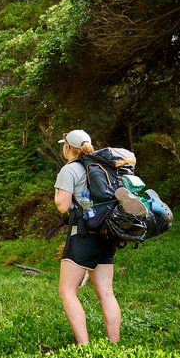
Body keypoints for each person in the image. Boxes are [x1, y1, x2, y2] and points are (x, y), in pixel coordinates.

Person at [53, 129, 121, 345]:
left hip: (82, 235)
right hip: (106, 233)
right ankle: (114, 344)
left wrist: (58, 192)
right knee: (106, 293)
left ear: (68, 147)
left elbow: (62, 206)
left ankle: (84, 346)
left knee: (67, 292)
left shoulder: (70, 170)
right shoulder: (101, 167)